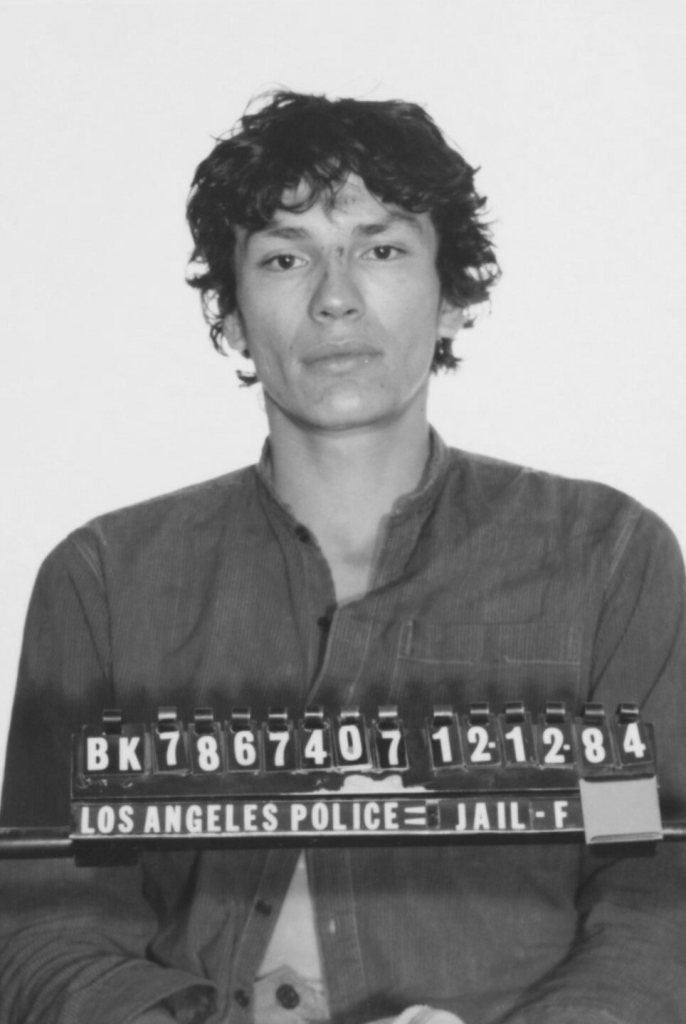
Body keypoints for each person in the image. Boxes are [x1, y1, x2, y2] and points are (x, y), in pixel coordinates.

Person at [1, 90, 685, 1024]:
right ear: (232, 315)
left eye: (381, 249)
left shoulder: (604, 563)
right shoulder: (106, 582)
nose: (335, 296)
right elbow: (49, 919)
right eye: (286, 257)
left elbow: (649, 881)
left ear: (454, 297)